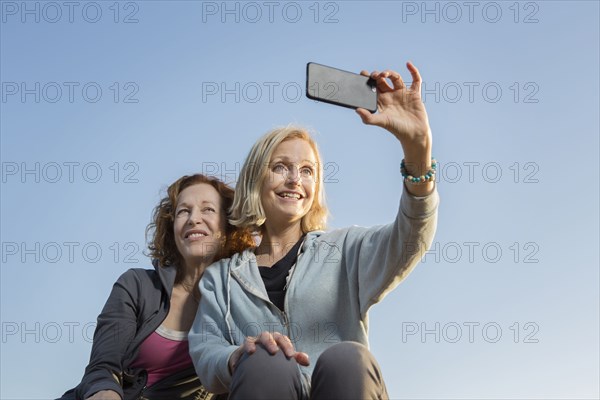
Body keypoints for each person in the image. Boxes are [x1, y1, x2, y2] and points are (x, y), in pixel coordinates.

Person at [188, 62, 440, 399]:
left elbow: (410, 238)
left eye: (307, 171)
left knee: (346, 357)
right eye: (280, 167)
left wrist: (418, 150)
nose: (295, 179)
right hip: (264, 386)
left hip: (344, 385)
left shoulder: (347, 249)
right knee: (264, 359)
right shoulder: (220, 279)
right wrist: (236, 355)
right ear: (256, 179)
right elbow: (206, 350)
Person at [59, 174, 254, 400]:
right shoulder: (136, 285)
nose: (193, 219)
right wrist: (106, 393)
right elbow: (102, 368)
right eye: (183, 211)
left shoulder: (239, 302)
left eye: (208, 209)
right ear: (172, 228)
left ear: (227, 226)